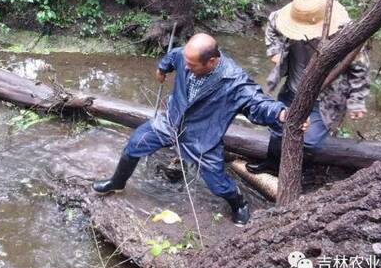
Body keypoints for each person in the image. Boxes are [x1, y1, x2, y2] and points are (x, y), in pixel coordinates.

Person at [92, 33, 297, 227]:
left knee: (216, 183)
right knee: (134, 145)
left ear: (211, 62)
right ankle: (116, 182)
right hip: (172, 120)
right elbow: (174, 56)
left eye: (192, 65)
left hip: (202, 135)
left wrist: (281, 113)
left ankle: (239, 203)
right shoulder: (186, 56)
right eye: (186, 62)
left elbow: (257, 103)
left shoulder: (234, 82)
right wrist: (162, 68)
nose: (187, 68)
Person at [246, 0, 370, 175]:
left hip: (326, 96)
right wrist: (274, 50)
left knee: (309, 140)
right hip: (293, 88)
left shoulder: (345, 33)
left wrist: (357, 100)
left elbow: (360, 66)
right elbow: (272, 22)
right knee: (278, 126)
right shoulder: (287, 16)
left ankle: (294, 173)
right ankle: (272, 164)